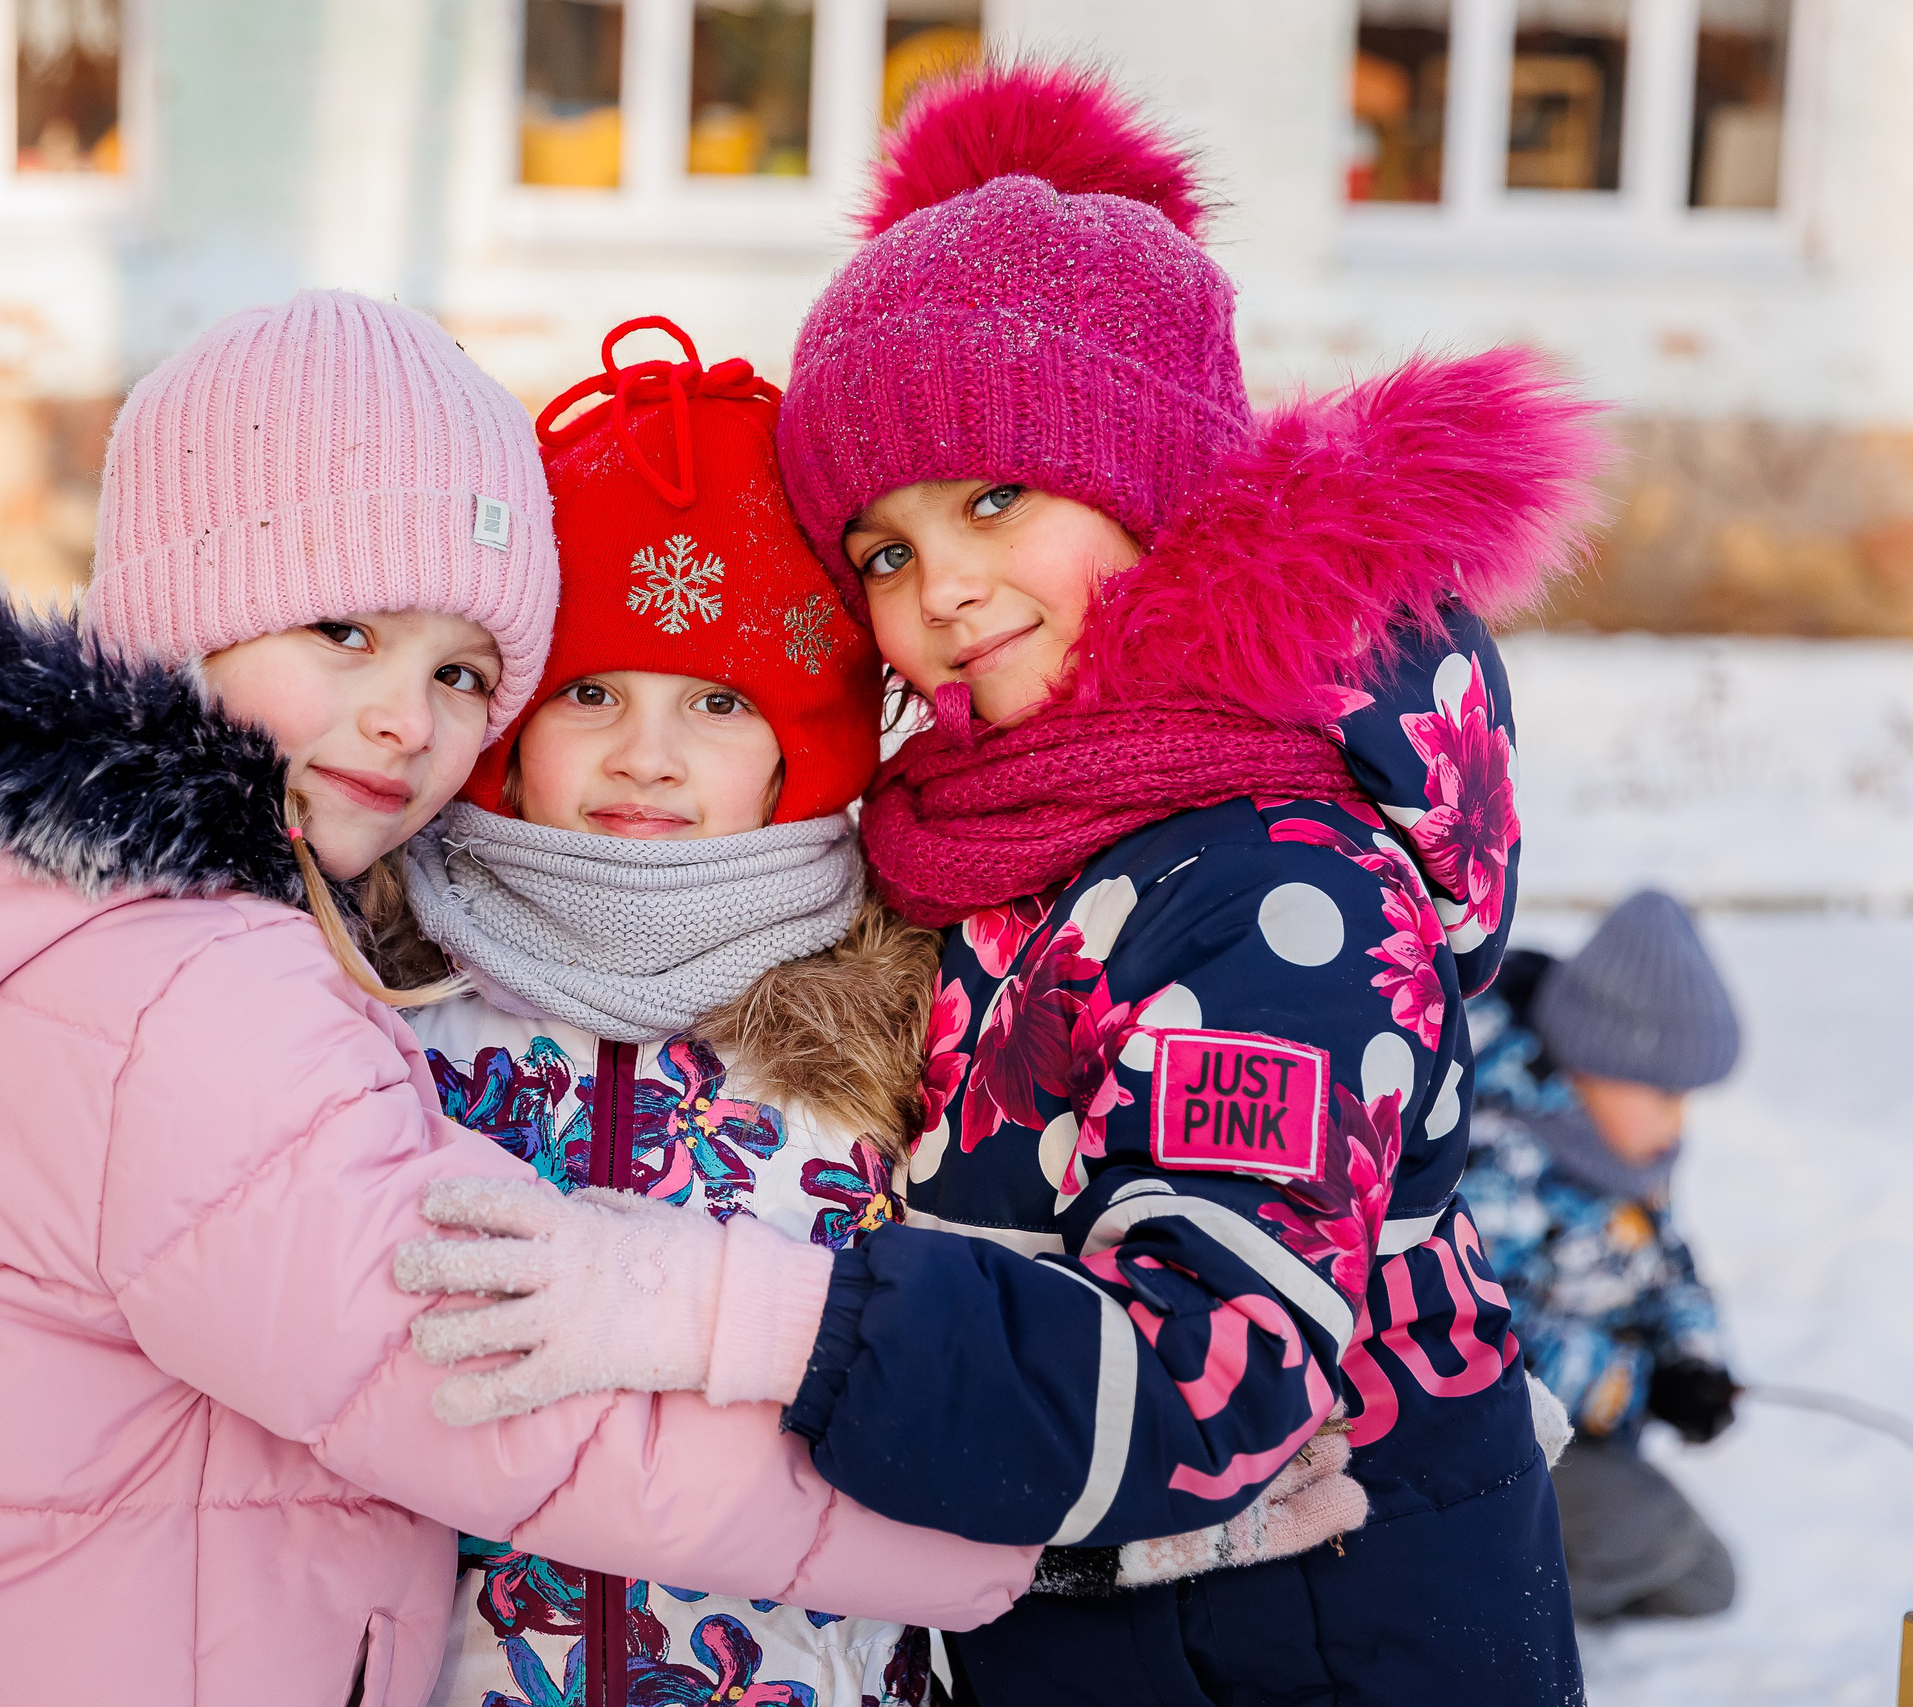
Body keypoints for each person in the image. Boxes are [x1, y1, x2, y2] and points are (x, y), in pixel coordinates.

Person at [0, 290, 1040, 1707]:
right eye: (342, 632)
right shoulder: (195, 980)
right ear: (190, 612)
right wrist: (1024, 1538)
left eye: (461, 669)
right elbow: (478, 1390)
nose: (404, 718)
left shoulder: (84, 905)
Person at [393, 64, 1603, 1703]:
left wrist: (743, 1315)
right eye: (882, 549)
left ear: (1155, 477)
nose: (942, 586)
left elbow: (1213, 1380)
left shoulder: (1280, 884)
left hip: (1304, 1648)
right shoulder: (1014, 841)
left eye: (992, 497)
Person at [386, 320, 1369, 1707]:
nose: (645, 757)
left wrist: (1125, 1544)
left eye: (721, 700)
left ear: (810, 739)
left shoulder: (915, 1015)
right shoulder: (386, 999)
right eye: (588, 693)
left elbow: (972, 1374)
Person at [1465, 889, 1744, 1622]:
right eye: (1663, 1091)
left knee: (1705, 1582)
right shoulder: (1498, 1151)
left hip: (1584, 1439)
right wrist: (1636, 1383)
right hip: (1488, 1442)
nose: (1677, 1119)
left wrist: (1692, 1359)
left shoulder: (1629, 1153)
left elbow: (1668, 1264)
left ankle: (1536, 1576)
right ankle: (1464, 1615)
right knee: (1646, 1525)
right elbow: (1492, 1339)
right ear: (1591, 1060)